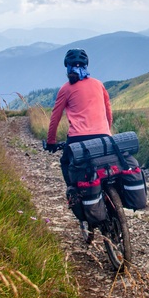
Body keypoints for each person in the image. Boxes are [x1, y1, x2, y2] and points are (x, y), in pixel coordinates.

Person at [46, 48, 113, 194]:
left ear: (67, 66)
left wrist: (51, 141)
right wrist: (107, 130)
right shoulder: (99, 84)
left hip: (78, 139)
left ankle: (74, 194)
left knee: (65, 162)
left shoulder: (65, 89)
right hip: (104, 135)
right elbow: (108, 111)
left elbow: (55, 117)